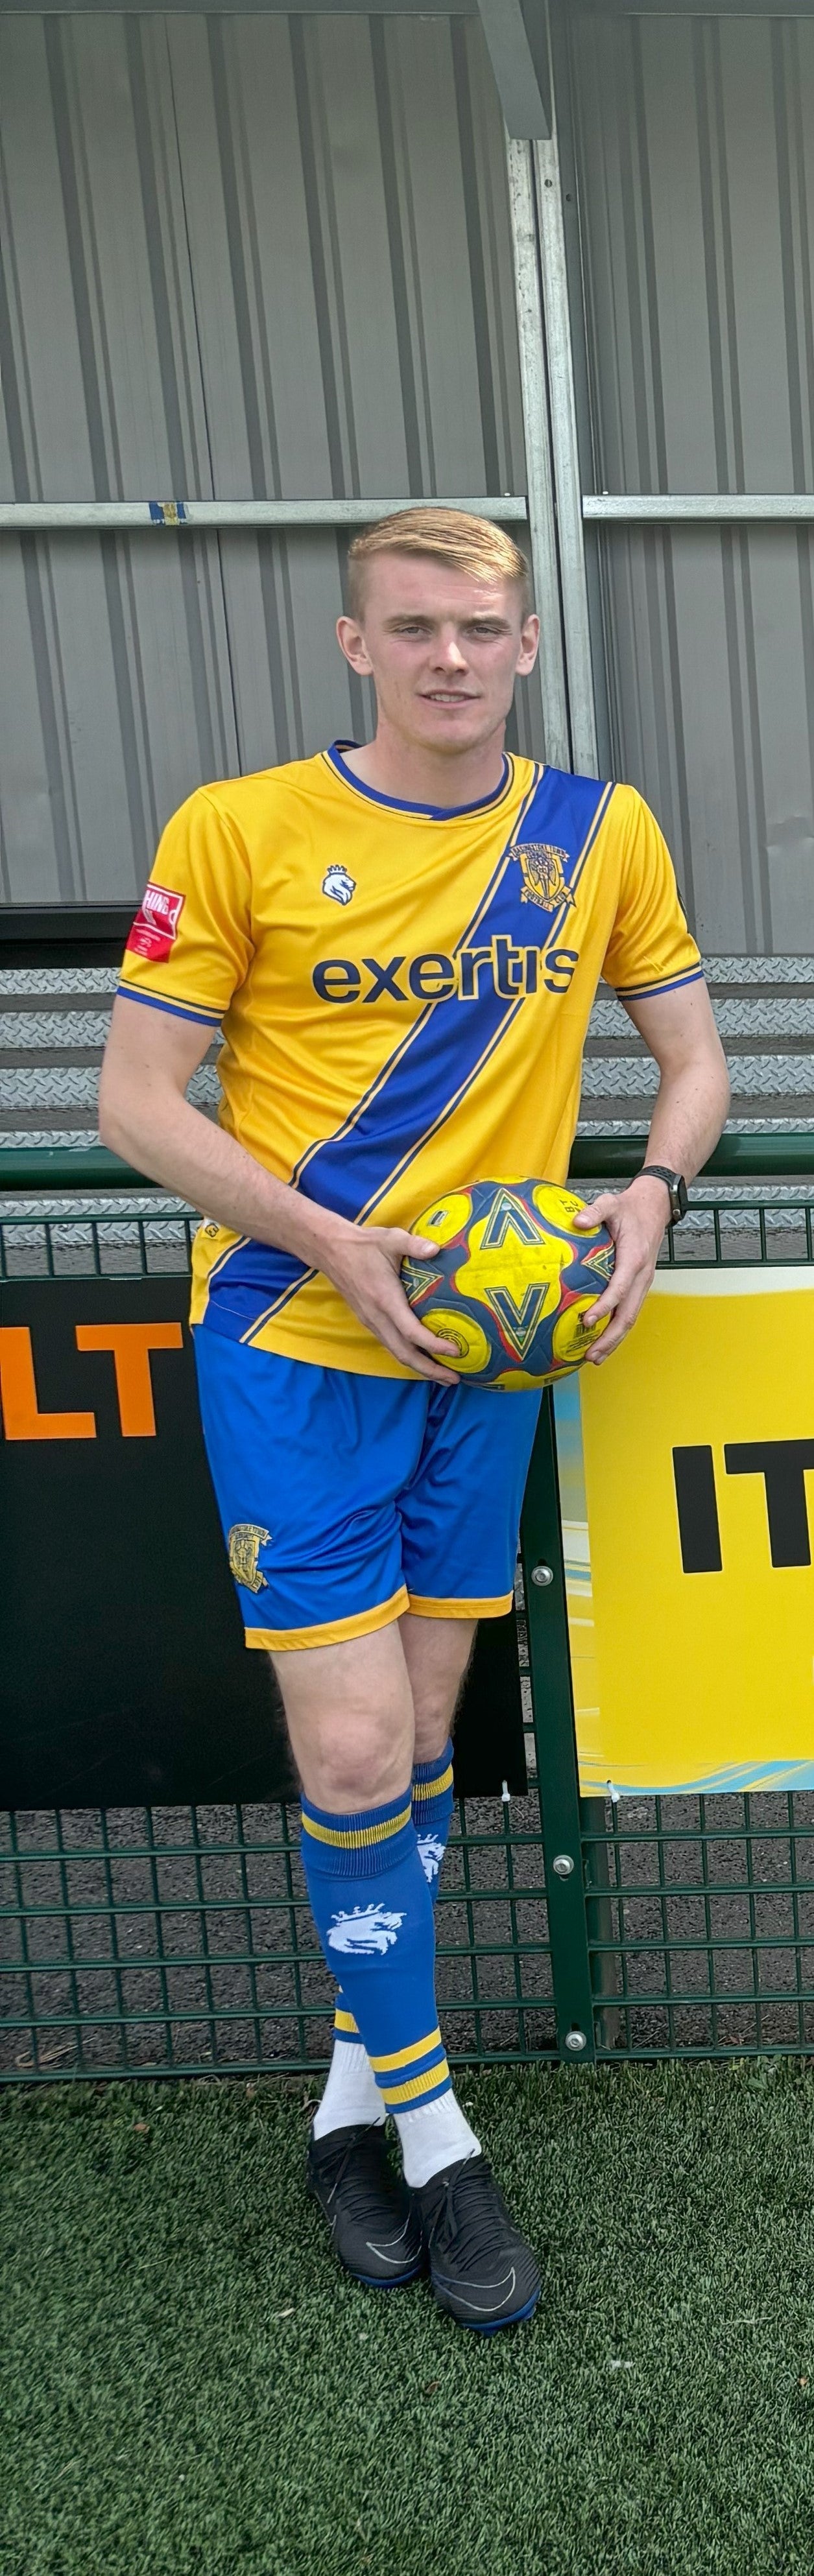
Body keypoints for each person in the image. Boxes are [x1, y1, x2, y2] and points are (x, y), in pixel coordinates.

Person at [99, 507, 730, 2333]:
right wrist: (325, 1237)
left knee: (428, 1733)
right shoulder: (236, 829)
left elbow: (690, 1059)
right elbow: (139, 1101)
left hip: (492, 1358)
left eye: (482, 627)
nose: (451, 656)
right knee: (359, 1753)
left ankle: (346, 2100)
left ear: (527, 645)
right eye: (413, 627)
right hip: (297, 1332)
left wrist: (652, 1196)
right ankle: (441, 2136)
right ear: (352, 643)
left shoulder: (597, 833)